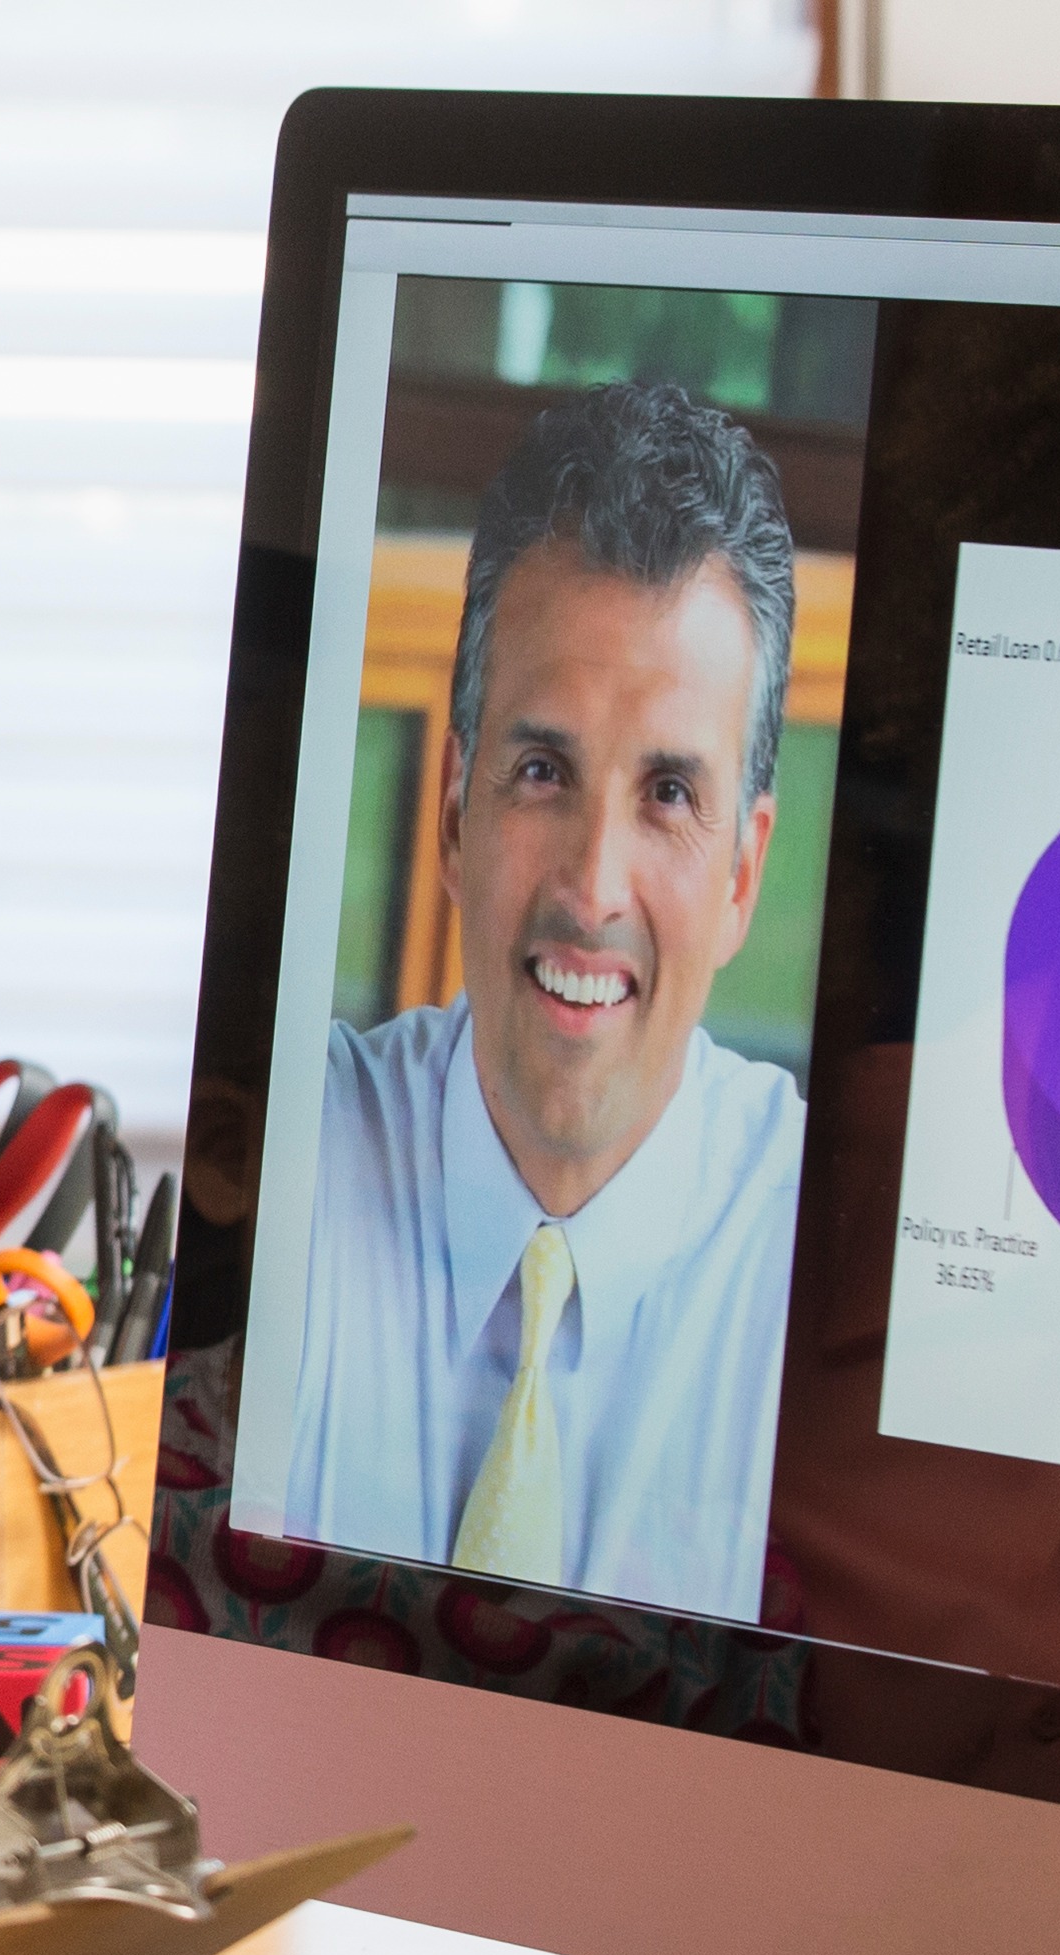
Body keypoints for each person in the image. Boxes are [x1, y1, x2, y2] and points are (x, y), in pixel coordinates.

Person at [273, 380, 805, 1623]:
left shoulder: (820, 1279)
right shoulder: (286, 1169)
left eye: (669, 792)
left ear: (743, 876)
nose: (591, 883)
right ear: (454, 811)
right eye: (542, 769)